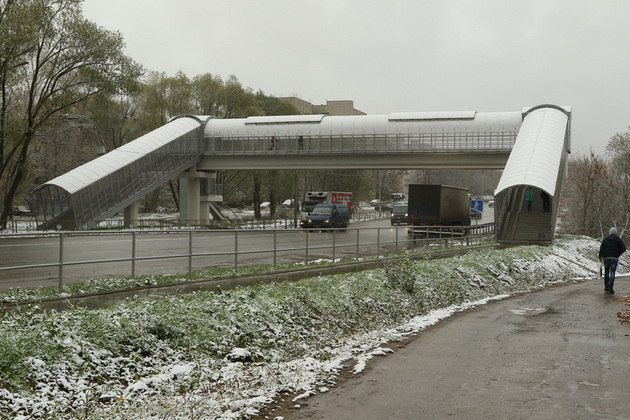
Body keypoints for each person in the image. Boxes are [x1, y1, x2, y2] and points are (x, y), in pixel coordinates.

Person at [598, 227, 626, 294]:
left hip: (606, 258)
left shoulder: (605, 239)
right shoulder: (618, 240)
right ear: (615, 232)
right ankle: (610, 287)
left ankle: (606, 287)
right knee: (612, 272)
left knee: (606, 272)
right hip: (614, 258)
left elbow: (601, 248)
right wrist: (617, 254)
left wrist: (600, 257)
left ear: (609, 232)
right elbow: (623, 248)